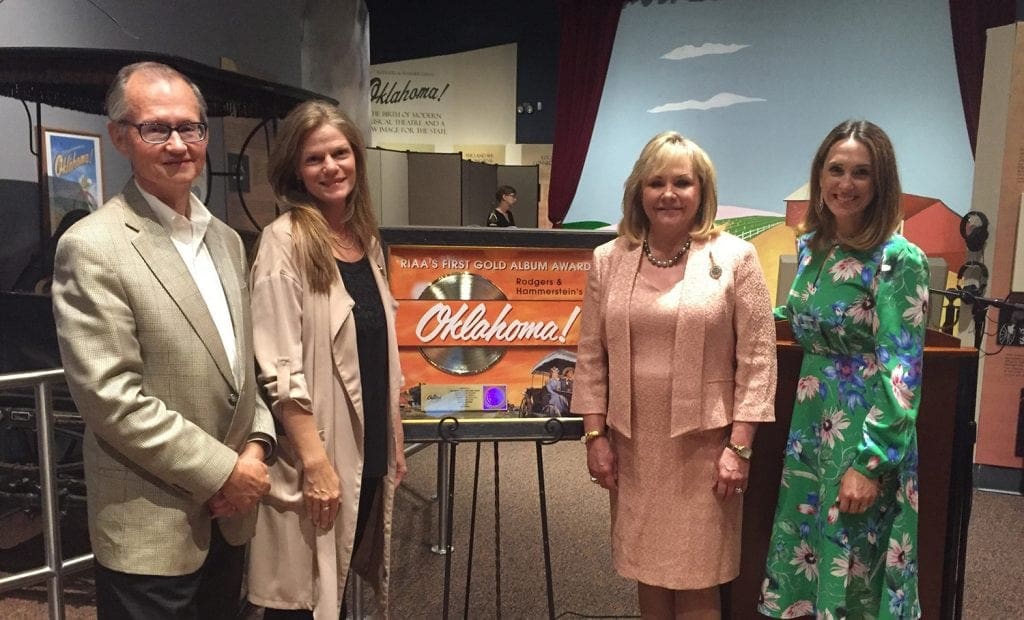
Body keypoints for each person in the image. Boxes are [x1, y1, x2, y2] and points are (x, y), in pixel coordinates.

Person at [51, 61, 275, 619]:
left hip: (229, 518)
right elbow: (112, 400)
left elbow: (242, 372)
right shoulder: (92, 246)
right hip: (150, 529)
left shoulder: (227, 241)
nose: (178, 144)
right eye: (156, 128)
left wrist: (258, 445)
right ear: (120, 137)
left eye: (190, 127)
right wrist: (225, 472)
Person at [572, 131, 777, 618]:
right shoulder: (608, 259)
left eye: (682, 182)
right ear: (638, 191)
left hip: (705, 448)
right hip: (633, 446)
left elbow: (758, 359)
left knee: (697, 577)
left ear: (701, 191)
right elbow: (591, 355)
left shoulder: (736, 258)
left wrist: (740, 447)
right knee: (648, 570)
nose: (668, 194)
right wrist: (594, 436)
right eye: (656, 182)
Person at [759, 120, 929, 620]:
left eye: (861, 173)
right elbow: (809, 317)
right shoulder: (814, 245)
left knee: (855, 575)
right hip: (811, 430)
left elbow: (902, 373)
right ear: (820, 175)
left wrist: (869, 464)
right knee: (810, 565)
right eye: (836, 170)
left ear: (881, 182)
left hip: (861, 435)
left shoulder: (899, 259)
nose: (846, 184)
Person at [246, 100, 408, 618]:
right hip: (317, 453)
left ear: (357, 157)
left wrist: (394, 437)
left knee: (338, 585)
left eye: (340, 153)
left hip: (367, 446)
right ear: (296, 169)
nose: (331, 167)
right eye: (315, 158)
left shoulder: (365, 240)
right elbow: (279, 367)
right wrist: (316, 464)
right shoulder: (284, 241)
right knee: (302, 598)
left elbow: (379, 347)